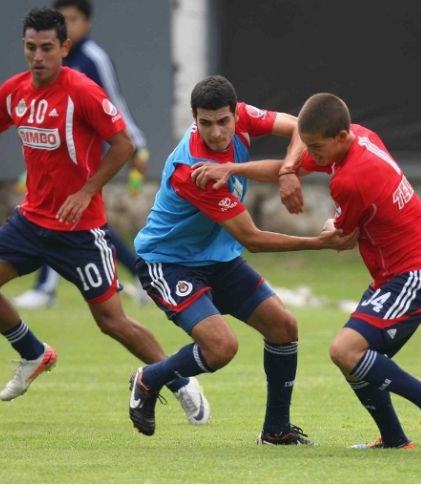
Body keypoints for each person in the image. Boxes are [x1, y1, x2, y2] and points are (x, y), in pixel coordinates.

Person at [0, 7, 210, 426]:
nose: (38, 56)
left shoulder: (82, 90)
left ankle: (180, 380)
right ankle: (33, 353)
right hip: (30, 222)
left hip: (80, 231)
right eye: (30, 47)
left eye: (47, 47)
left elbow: (122, 145)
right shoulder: (14, 91)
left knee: (112, 322)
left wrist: (87, 190)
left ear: (64, 47)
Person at [191, 92, 421, 455]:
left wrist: (327, 226)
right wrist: (236, 169)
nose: (312, 157)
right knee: (356, 357)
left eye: (317, 149)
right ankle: (395, 440)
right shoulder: (359, 137)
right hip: (395, 275)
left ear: (340, 137)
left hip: (415, 276)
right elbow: (291, 165)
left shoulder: (351, 178)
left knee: (346, 351)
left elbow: (344, 240)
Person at [127, 75, 358, 442]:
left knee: (284, 327)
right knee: (221, 348)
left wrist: (286, 171)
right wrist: (321, 243)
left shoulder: (245, 118)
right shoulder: (195, 169)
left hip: (217, 258)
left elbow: (300, 126)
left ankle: (276, 430)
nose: (217, 133)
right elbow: (253, 239)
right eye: (206, 123)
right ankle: (149, 378)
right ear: (193, 117)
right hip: (168, 263)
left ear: (236, 114)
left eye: (223, 121)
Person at [13, 0, 150, 310]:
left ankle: (45, 289)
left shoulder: (93, 59)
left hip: (86, 156)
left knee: (59, 213)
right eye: (62, 18)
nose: (67, 24)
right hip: (55, 156)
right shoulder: (48, 61)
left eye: (73, 18)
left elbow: (115, 102)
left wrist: (137, 143)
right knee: (87, 224)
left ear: (86, 23)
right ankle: (144, 276)